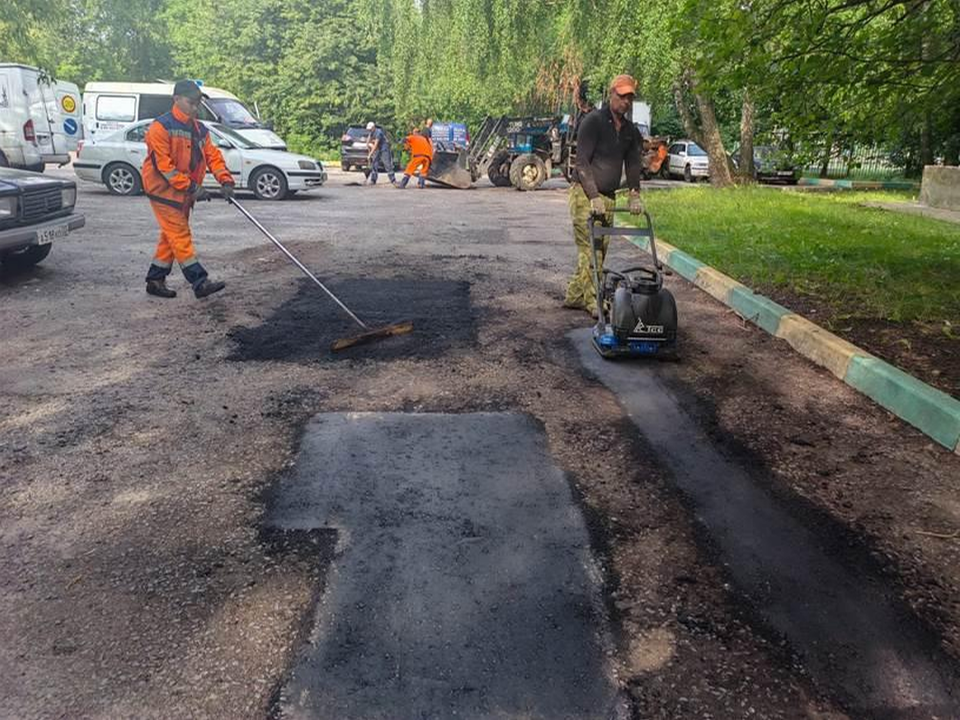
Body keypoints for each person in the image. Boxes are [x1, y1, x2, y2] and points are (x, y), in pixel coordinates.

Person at [142, 80, 235, 299]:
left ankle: (155, 279)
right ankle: (199, 281)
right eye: (191, 102)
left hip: (183, 191)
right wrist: (192, 187)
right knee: (180, 234)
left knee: (170, 236)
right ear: (176, 99)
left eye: (198, 103)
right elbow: (164, 167)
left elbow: (213, 156)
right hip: (163, 191)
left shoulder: (200, 130)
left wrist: (226, 181)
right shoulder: (160, 127)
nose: (196, 107)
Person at [564, 74, 645, 317]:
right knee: (591, 249)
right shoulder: (593, 122)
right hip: (584, 194)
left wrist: (634, 194)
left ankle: (575, 295)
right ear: (611, 95)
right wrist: (593, 195)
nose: (626, 102)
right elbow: (581, 163)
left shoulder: (631, 132)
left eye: (630, 97)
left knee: (600, 248)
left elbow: (632, 164)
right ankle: (593, 302)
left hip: (609, 197)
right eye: (622, 96)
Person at [365, 121, 396, 185]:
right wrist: (368, 150)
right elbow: (368, 142)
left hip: (384, 148)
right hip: (377, 149)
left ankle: (393, 180)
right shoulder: (371, 132)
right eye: (368, 129)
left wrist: (370, 154)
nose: (369, 130)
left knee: (387, 164)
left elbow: (376, 144)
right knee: (374, 163)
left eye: (370, 129)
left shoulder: (378, 132)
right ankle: (373, 180)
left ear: (373, 127)